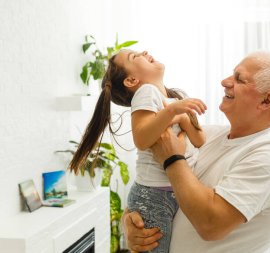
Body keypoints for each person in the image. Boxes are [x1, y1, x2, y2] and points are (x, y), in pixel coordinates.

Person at [122, 51, 270, 253]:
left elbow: (210, 225)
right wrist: (130, 223)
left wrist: (172, 158)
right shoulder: (210, 136)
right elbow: (159, 188)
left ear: (266, 101)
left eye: (239, 79)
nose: (225, 81)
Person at [69, 50, 207, 253]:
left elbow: (200, 139)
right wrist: (172, 111)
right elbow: (141, 139)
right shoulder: (147, 92)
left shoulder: (174, 99)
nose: (144, 52)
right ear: (132, 80)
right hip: (154, 196)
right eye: (134, 57)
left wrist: (182, 117)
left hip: (173, 192)